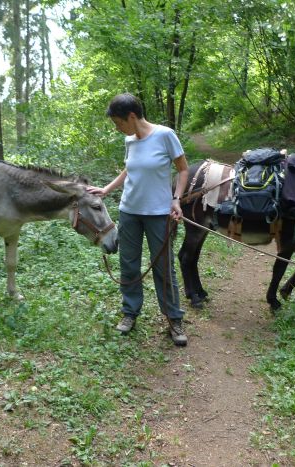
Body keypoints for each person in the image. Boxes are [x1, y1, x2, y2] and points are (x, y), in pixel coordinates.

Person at [87, 93, 189, 346]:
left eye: (118, 122)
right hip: (129, 212)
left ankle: (173, 319)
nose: (117, 128)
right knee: (129, 265)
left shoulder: (165, 135)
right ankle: (130, 313)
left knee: (163, 266)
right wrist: (108, 189)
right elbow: (129, 167)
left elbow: (183, 169)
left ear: (131, 116)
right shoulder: (129, 140)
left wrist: (176, 199)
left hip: (158, 214)